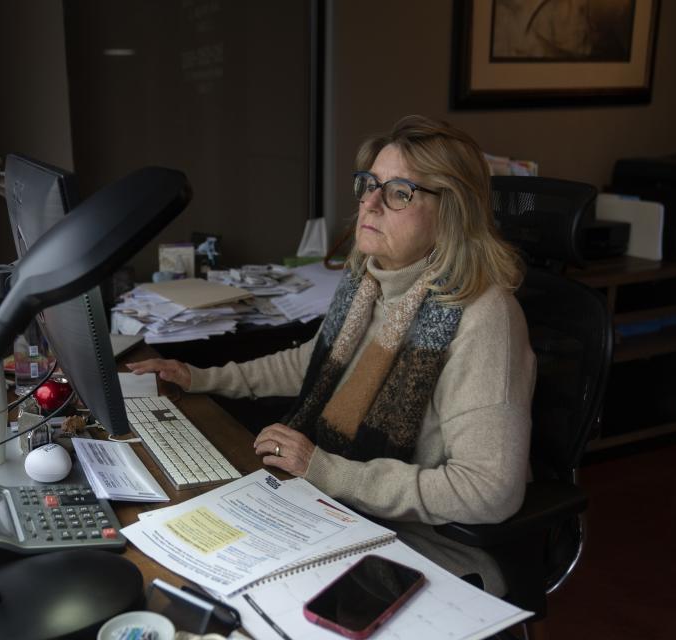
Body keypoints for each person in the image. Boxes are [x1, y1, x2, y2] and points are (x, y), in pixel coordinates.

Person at [127, 115, 536, 595]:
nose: (370, 202)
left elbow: (490, 491)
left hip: (424, 546)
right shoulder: (371, 279)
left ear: (454, 211)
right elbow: (312, 364)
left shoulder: (484, 319)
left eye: (400, 192)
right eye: (369, 184)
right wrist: (199, 377)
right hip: (335, 510)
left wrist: (325, 471)